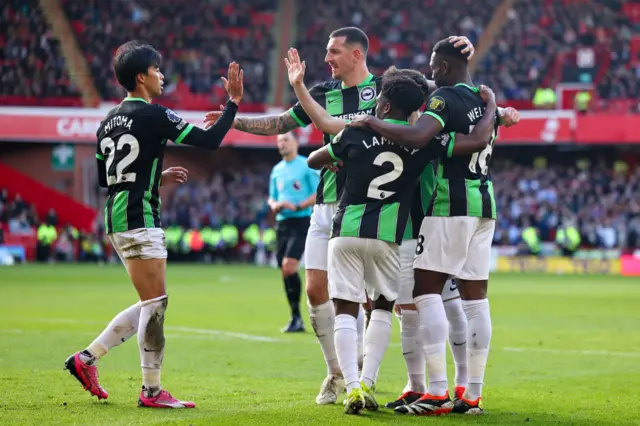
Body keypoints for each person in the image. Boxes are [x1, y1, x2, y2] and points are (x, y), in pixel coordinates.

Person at [206, 29, 474, 406]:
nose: (327, 59)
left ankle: (364, 379)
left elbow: (437, 82)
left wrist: (468, 61)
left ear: (357, 54)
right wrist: (235, 121)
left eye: (333, 52)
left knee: (371, 302)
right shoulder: (321, 92)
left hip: (372, 207)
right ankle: (337, 372)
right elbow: (282, 123)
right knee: (318, 290)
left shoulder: (386, 89)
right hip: (329, 205)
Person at [284, 52, 518, 411]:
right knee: (404, 308)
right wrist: (496, 112)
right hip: (410, 229)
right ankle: (442, 387)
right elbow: (469, 140)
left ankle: (403, 387)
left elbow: (318, 154)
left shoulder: (374, 133)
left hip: (391, 224)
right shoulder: (421, 143)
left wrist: (341, 150)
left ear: (385, 102)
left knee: (419, 304)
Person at [63, 40, 243, 409]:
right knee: (156, 304)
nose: (163, 75)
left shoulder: (106, 122)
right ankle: (147, 389)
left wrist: (154, 175)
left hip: (116, 217)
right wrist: (233, 105)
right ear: (142, 77)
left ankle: (89, 359)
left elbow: (107, 177)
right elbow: (209, 141)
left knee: (152, 302)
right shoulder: (154, 114)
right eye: (158, 70)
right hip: (140, 217)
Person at [348, 38, 500, 415]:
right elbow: (477, 134)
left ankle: (435, 390)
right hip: (484, 204)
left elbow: (418, 135)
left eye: (434, 65)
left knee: (425, 290)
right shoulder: (482, 103)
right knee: (475, 298)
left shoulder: (443, 102)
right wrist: (496, 105)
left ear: (445, 67)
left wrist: (372, 121)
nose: (432, 72)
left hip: (449, 205)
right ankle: (471, 393)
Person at [268, 131, 319, 332]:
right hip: (282, 224)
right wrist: (274, 205)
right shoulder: (277, 170)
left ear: (296, 143)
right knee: (284, 269)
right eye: (279, 141)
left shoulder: (307, 165)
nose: (281, 144)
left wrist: (298, 206)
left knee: (289, 265)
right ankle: (295, 317)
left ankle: (300, 316)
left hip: (301, 221)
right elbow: (271, 197)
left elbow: (318, 193)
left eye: (285, 140)